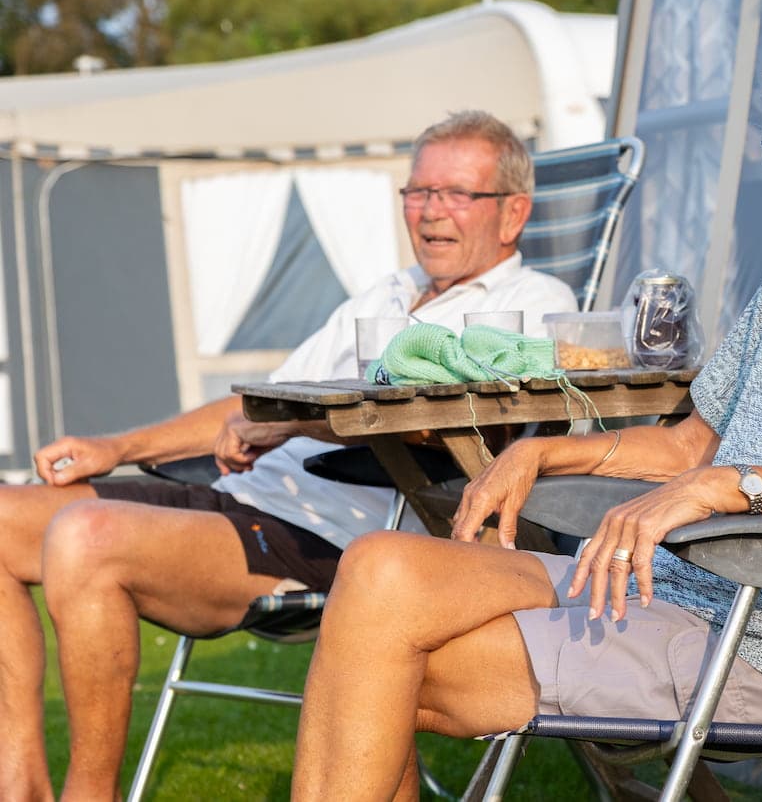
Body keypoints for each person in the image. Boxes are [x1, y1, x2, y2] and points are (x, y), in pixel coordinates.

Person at [290, 16, 762, 801]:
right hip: (670, 588)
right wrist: (544, 451)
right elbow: (688, 447)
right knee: (375, 567)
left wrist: (728, 486)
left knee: (387, 665)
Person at [0, 109, 577, 799]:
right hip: (242, 494)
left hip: (332, 531)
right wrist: (119, 446)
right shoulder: (386, 292)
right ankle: (19, 777)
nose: (430, 213)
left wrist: (295, 423)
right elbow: (261, 403)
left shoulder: (529, 306)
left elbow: (444, 431)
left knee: (84, 536)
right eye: (417, 192)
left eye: (455, 194)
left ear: (513, 213)